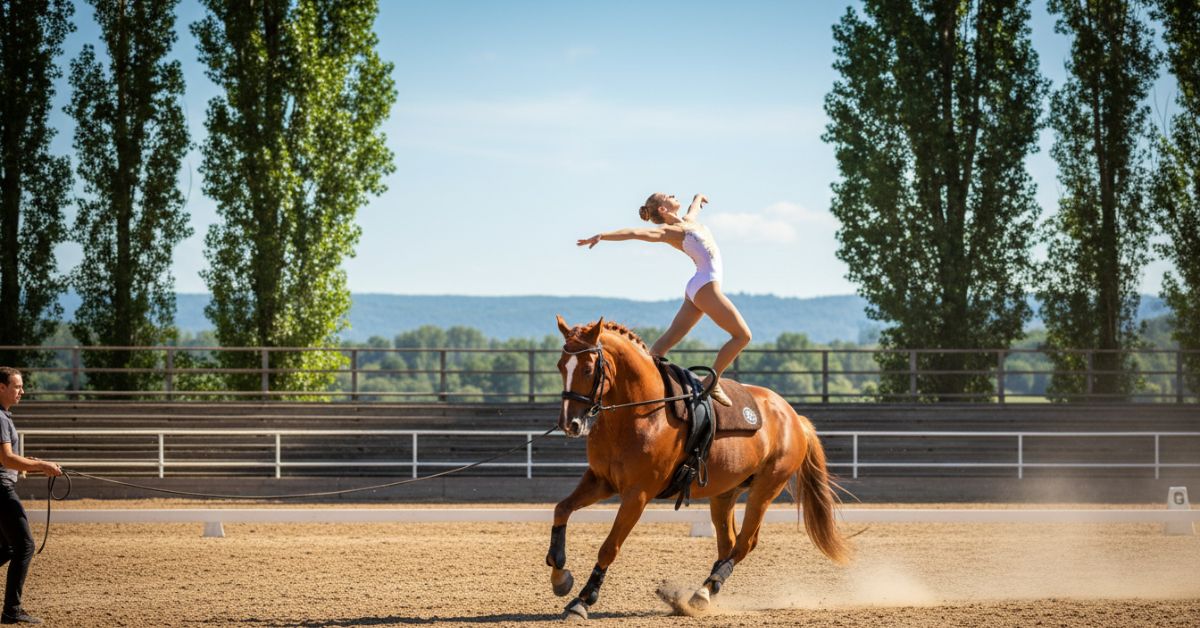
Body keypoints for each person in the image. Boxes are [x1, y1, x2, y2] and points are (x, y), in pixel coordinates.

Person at [577, 193, 751, 406]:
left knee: (661, 348)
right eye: (668, 196)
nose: (673, 195)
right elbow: (634, 233)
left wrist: (698, 198)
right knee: (742, 336)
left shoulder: (687, 222)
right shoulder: (671, 232)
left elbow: (692, 210)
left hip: (697, 287)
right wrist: (602, 235)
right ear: (662, 209)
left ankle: (638, 387)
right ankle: (711, 382)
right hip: (705, 286)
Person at [0, 367, 62, 625]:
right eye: (17, 386)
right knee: (24, 545)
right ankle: (12, 611)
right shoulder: (0, 419)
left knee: (8, 547)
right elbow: (6, 458)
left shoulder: (4, 416)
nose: (22, 391)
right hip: (1, 489)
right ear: (1, 388)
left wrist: (31, 463)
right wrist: (41, 466)